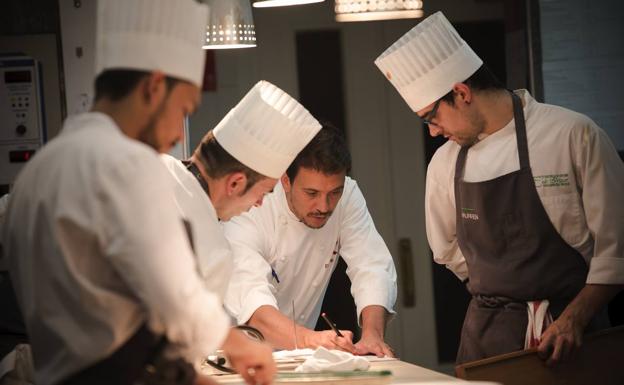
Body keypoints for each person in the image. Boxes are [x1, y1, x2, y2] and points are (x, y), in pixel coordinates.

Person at [2, 1, 275, 385]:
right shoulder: (127, 162)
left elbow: (108, 310)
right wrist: (236, 342)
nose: (181, 135)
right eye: (183, 108)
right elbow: (173, 290)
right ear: (154, 87)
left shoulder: (37, 171)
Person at [375, 11, 624, 365]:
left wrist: (575, 316)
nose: (432, 131)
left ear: (461, 93)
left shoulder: (572, 135)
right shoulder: (444, 164)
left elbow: (617, 248)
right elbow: (447, 251)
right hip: (490, 341)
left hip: (579, 336)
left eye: (432, 117)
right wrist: (503, 291)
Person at [223, 125, 398, 357]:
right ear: (285, 180)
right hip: (229, 354)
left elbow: (371, 265)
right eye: (312, 194)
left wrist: (372, 336)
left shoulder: (348, 196)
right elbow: (251, 300)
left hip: (297, 355)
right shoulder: (250, 208)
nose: (324, 206)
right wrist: (312, 339)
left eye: (334, 192)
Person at [159, 80, 322, 300]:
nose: (259, 204)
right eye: (263, 193)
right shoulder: (211, 251)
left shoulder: (152, 165)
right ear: (235, 183)